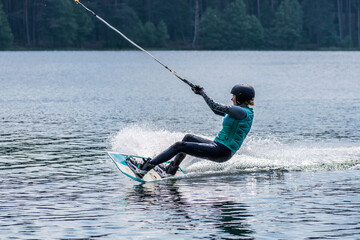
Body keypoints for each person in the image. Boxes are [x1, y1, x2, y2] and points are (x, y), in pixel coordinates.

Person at [127, 84, 255, 178]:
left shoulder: (241, 112)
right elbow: (216, 110)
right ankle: (171, 169)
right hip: (217, 146)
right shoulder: (238, 112)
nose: (231, 99)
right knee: (188, 138)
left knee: (179, 146)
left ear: (239, 97)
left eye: (233, 96)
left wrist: (203, 92)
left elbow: (216, 106)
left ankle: (145, 168)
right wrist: (201, 95)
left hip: (222, 151)